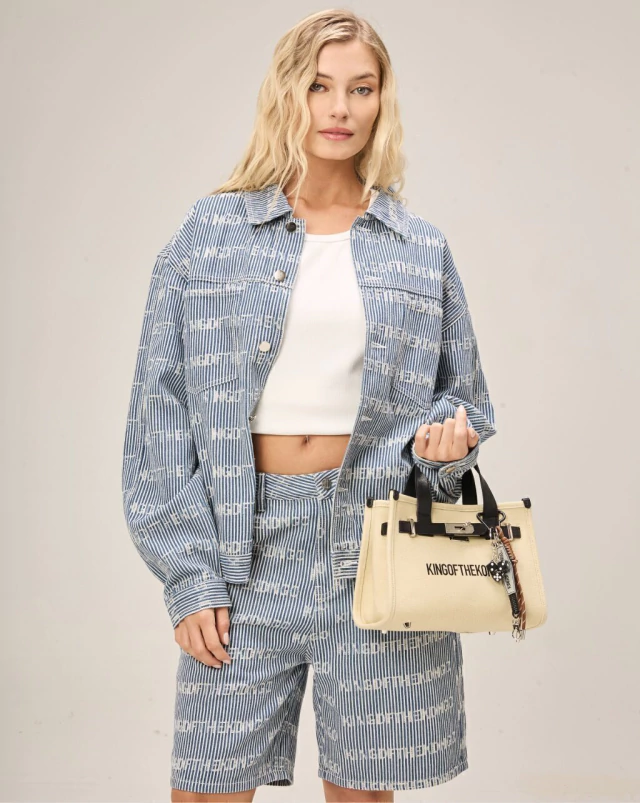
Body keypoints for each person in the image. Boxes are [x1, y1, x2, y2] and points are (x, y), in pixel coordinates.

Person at [121, 8, 497, 802]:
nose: (340, 108)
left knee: (363, 790)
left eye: (362, 88)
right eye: (320, 86)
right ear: (287, 93)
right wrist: (189, 575)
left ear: (382, 100)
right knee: (209, 785)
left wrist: (446, 450)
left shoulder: (418, 247)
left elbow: (463, 398)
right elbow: (160, 411)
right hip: (243, 546)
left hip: (375, 547)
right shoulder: (211, 233)